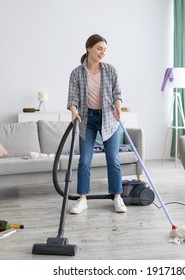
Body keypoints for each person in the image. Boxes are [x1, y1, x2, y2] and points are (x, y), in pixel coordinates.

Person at [67, 34, 127, 214]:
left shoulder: (110, 70)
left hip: (109, 118)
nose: (103, 52)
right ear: (89, 48)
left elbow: (117, 94)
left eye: (105, 49)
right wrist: (74, 111)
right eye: (99, 48)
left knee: (114, 160)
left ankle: (117, 197)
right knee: (85, 160)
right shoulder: (77, 73)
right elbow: (72, 98)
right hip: (87, 119)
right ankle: (82, 199)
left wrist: (118, 108)